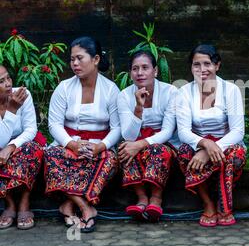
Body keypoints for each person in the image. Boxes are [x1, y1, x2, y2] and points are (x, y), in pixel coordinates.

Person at [44, 36, 121, 233]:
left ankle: (68, 205)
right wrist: (71, 144)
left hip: (98, 145)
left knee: (109, 160)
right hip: (68, 143)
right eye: (72, 59)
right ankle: (86, 207)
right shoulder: (64, 88)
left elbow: (117, 128)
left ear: (95, 59)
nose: (75, 64)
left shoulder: (111, 89)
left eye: (80, 58)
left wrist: (100, 147)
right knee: (51, 156)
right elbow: (54, 124)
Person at [176, 44, 246, 227]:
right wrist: (204, 145)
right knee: (183, 152)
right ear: (191, 68)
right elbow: (183, 132)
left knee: (235, 154)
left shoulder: (231, 90)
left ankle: (224, 207)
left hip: (227, 144)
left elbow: (238, 131)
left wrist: (212, 149)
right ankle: (207, 204)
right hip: (198, 145)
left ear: (217, 66)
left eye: (207, 64)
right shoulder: (184, 92)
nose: (202, 70)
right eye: (196, 65)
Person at [117, 49, 180, 222]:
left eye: (145, 67)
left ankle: (156, 199)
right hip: (135, 142)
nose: (140, 73)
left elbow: (167, 131)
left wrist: (140, 144)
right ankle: (142, 198)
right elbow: (128, 135)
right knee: (124, 149)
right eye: (135, 68)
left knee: (158, 151)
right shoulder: (124, 96)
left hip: (165, 144)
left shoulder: (170, 92)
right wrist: (138, 107)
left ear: (156, 71)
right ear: (130, 73)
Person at [0, 65, 45, 230]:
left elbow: (31, 130)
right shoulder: (13, 102)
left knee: (30, 150)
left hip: (23, 143)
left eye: (8, 78)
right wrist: (12, 110)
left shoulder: (22, 94)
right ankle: (9, 204)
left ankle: (24, 203)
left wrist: (11, 146)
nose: (8, 84)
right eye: (1, 81)